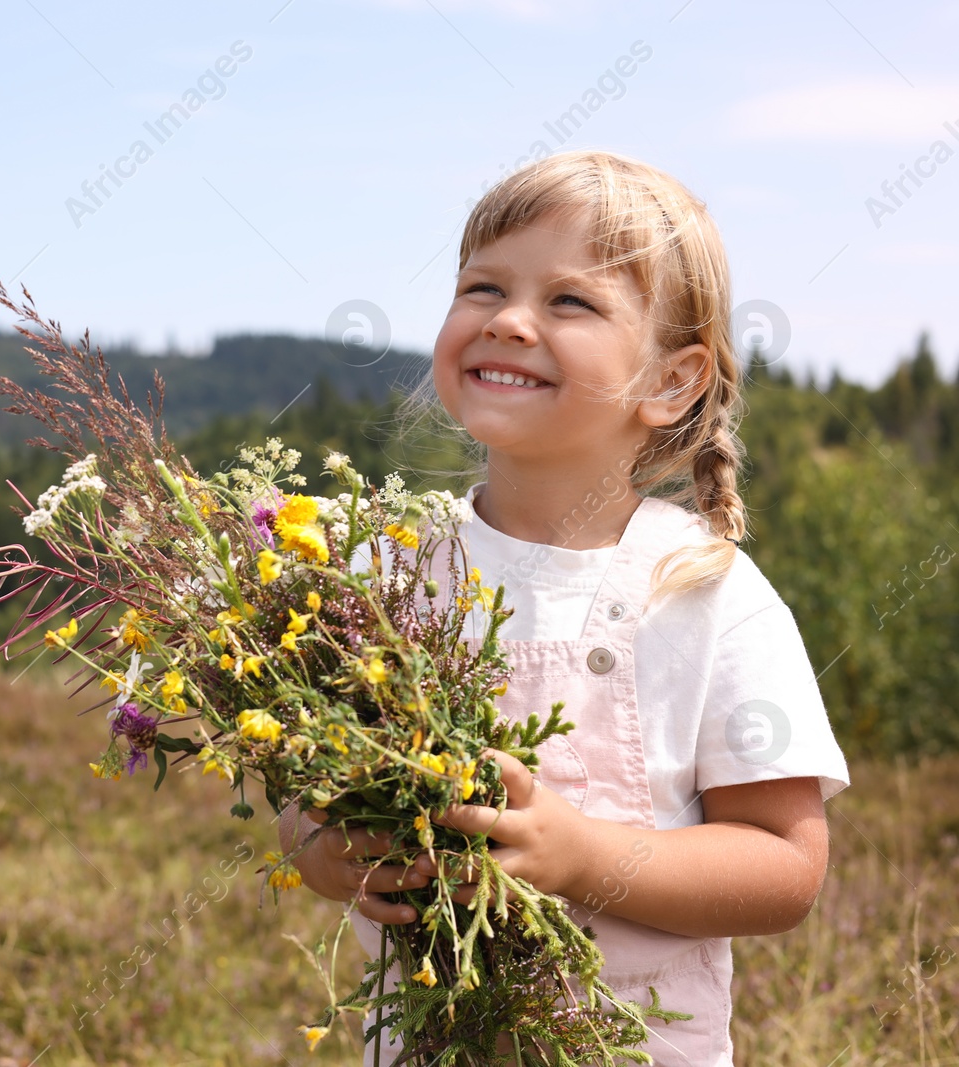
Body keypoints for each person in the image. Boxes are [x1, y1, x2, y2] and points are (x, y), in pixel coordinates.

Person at [278, 150, 850, 1066]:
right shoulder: (381, 576)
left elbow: (785, 865)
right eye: (481, 287)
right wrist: (321, 845)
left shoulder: (707, 593)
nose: (507, 321)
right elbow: (315, 791)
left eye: (569, 302)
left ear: (670, 381)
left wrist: (584, 855)